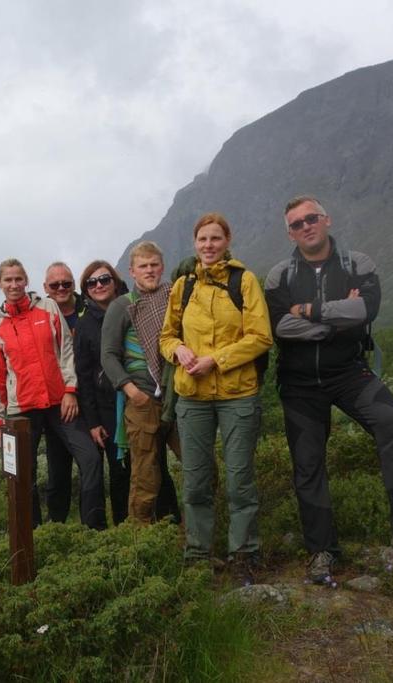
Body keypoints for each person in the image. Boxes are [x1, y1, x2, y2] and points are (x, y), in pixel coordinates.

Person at [264, 195, 393, 585]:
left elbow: (366, 311)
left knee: (392, 422)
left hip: (349, 373)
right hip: (298, 384)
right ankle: (322, 550)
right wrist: (336, 318)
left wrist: (309, 311)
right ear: (289, 233)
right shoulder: (279, 275)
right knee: (308, 463)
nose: (305, 227)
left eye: (311, 218)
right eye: (296, 224)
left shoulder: (357, 263)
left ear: (326, 219)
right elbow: (280, 327)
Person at [160, 214, 272, 571]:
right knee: (195, 481)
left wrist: (216, 360)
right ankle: (198, 554)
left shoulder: (245, 281)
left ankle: (244, 552)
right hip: (192, 397)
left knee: (240, 478)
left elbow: (260, 337)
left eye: (215, 239)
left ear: (227, 241)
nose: (208, 245)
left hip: (238, 394)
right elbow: (166, 337)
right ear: (195, 243)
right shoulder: (183, 286)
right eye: (202, 239)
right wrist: (177, 349)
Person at [0, 258, 107, 530]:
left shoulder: (48, 308)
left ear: (26, 280)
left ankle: (94, 531)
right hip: (21, 411)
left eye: (18, 278)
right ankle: (32, 535)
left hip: (57, 403)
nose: (14, 284)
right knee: (21, 474)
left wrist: (70, 390)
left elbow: (66, 351)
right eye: (8, 280)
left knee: (90, 459)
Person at [101, 241, 181, 525]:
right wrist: (132, 391)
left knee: (201, 468)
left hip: (180, 395)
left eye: (154, 265)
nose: (149, 270)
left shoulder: (175, 297)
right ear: (132, 272)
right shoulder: (122, 306)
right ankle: (142, 544)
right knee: (145, 475)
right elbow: (108, 355)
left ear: (162, 266)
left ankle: (197, 543)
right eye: (143, 266)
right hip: (143, 399)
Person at [73, 260, 131, 525]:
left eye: (104, 279)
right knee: (118, 472)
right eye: (91, 282)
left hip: (141, 399)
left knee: (151, 467)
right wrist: (93, 422)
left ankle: (163, 525)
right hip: (107, 408)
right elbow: (84, 376)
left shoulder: (134, 307)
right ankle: (123, 529)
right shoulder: (84, 325)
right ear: (86, 289)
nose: (98, 285)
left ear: (115, 282)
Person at [41, 262, 87, 523]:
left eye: (66, 283)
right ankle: (56, 525)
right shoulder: (40, 315)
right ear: (45, 288)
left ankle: (91, 526)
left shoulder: (88, 310)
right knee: (57, 468)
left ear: (73, 285)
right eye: (54, 285)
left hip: (89, 399)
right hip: (56, 404)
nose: (61, 288)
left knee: (90, 464)